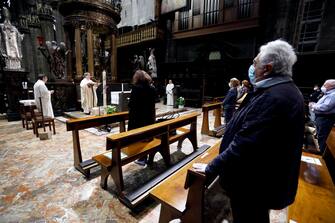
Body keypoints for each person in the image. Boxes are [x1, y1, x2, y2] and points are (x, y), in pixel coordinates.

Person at [204, 40, 305, 223]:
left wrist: (210, 167)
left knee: (249, 217)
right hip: (263, 179)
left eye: (255, 62)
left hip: (253, 184)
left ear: (267, 68)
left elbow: (244, 145)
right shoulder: (285, 90)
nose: (252, 66)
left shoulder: (274, 97)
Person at [128, 70, 156, 166]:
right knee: (147, 137)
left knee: (138, 138)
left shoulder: (136, 88)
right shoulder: (152, 88)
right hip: (149, 117)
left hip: (138, 118)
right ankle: (145, 157)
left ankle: (141, 158)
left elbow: (131, 104)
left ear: (137, 78)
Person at [310, 79, 335, 153]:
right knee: (319, 135)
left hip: (325, 119)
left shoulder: (333, 95)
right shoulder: (327, 94)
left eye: (325, 85)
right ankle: (320, 150)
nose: (323, 86)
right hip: (321, 118)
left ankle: (321, 156)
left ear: (331, 86)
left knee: (322, 136)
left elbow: (325, 107)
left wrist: (314, 106)